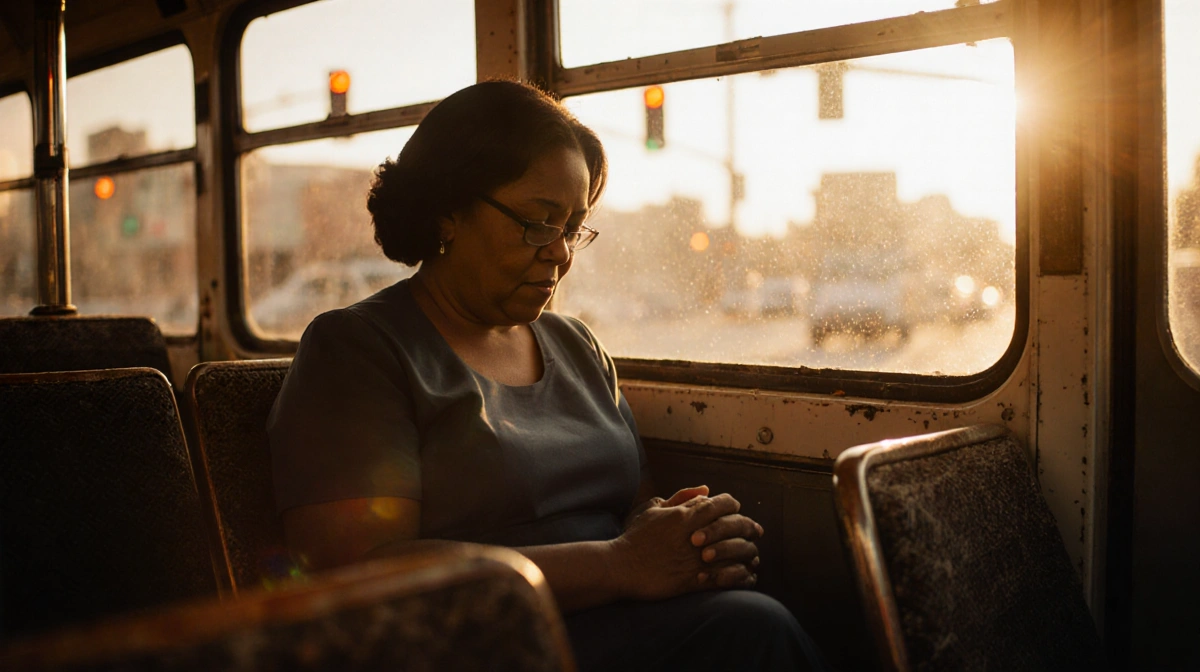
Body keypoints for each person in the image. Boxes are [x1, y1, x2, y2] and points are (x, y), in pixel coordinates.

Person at [267, 80, 828, 671]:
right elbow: (356, 573)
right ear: (447, 212)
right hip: (477, 646)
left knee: (756, 615)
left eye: (572, 227)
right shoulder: (357, 349)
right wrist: (621, 566)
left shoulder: (576, 344)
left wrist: (681, 536)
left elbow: (631, 507)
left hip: (615, 619)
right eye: (538, 222)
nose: (561, 253)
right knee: (752, 631)